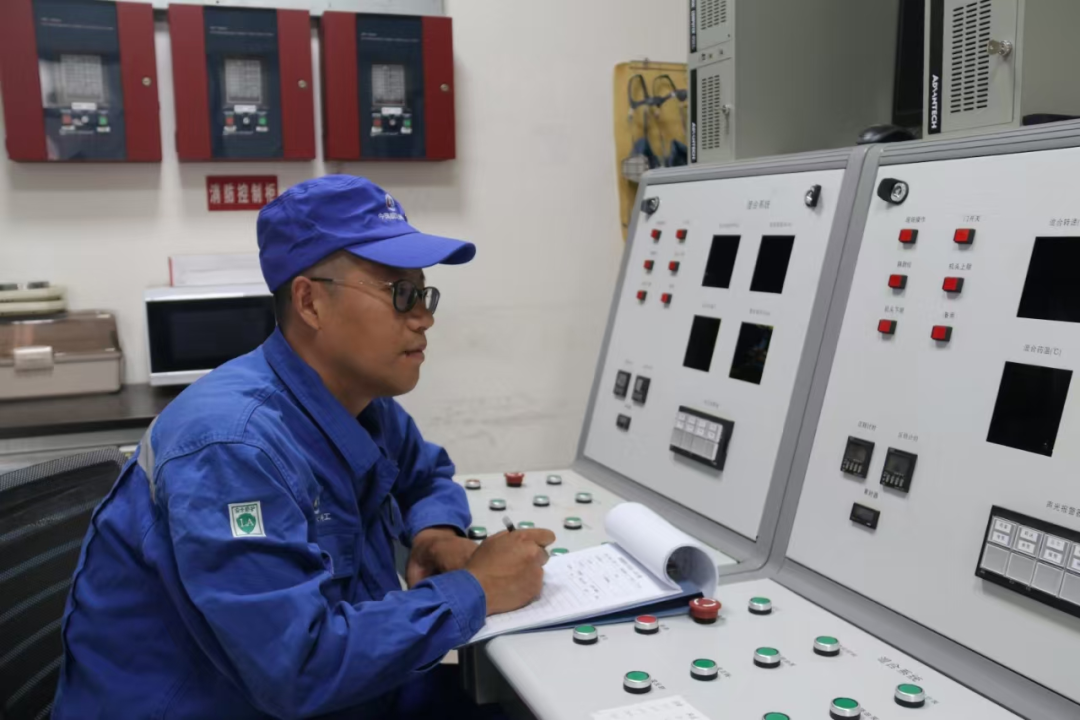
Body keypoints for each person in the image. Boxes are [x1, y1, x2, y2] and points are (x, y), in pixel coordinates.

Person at [53, 175, 556, 719]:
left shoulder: (360, 401)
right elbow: (296, 668)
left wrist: (435, 535)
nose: (425, 317)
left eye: (424, 293)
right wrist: (477, 589)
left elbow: (425, 474)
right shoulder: (231, 447)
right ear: (310, 302)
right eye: (400, 293)